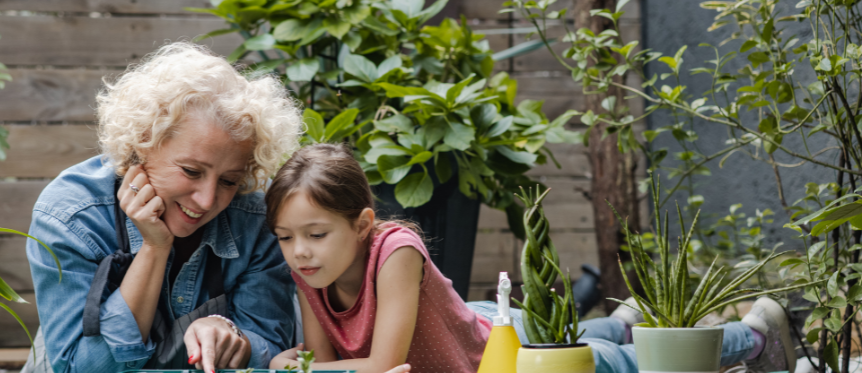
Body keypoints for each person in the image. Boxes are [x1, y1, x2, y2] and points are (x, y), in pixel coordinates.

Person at [263, 143, 798, 373]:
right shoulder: (311, 269)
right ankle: (620, 321)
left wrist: (295, 367)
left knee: (637, 363)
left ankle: (754, 335)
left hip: (505, 361)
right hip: (488, 323)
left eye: (314, 233)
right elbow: (325, 364)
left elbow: (380, 365)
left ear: (360, 225)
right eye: (286, 237)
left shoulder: (395, 251)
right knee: (586, 335)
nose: (300, 251)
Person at [23, 42, 302, 373]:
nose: (206, 200)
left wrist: (233, 338)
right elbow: (78, 368)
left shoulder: (258, 216)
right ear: (143, 143)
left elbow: (272, 348)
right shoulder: (70, 216)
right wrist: (155, 249)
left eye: (229, 180)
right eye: (191, 171)